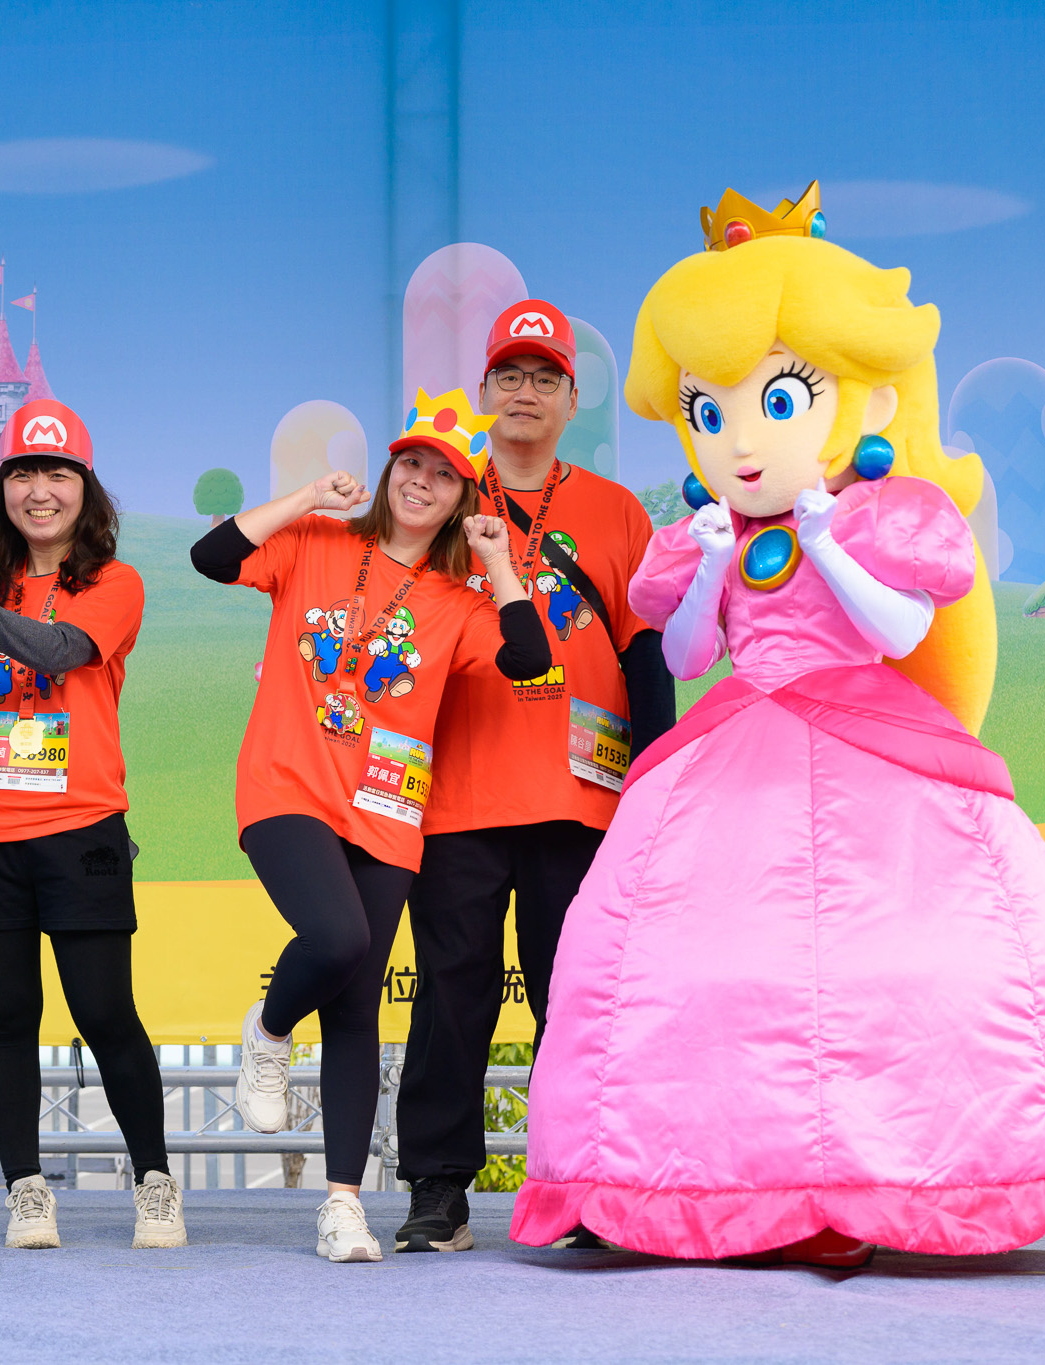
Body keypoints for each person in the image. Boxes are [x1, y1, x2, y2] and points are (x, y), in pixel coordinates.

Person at [510, 183, 1045, 1265]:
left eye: (776, 399)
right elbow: (686, 657)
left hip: (870, 727)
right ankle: (683, 1182)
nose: (739, 441)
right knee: (672, 954)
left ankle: (887, 1180)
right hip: (734, 738)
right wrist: (711, 565)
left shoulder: (880, 515)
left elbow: (900, 628)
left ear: (861, 395)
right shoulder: (707, 536)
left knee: (927, 950)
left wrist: (827, 543)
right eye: (707, 412)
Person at [190, 389, 553, 1262]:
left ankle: (343, 1204)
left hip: (387, 812)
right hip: (286, 787)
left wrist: (498, 560)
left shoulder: (458, 602)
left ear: (460, 498)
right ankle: (269, 1028)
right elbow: (211, 555)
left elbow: (531, 658)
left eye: (442, 475)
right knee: (338, 937)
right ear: (389, 473)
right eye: (410, 464)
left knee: (357, 1005)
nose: (421, 481)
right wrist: (309, 497)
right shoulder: (314, 543)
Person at [392, 300, 675, 1255]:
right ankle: (438, 1190)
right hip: (455, 794)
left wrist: (656, 784)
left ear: (571, 398)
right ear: (483, 389)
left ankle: (589, 1186)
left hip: (581, 797)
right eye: (509, 374)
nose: (525, 391)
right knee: (451, 996)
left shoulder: (615, 510)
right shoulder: (438, 494)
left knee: (579, 999)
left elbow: (645, 655)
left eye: (544, 377)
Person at [0, 398, 184, 1252]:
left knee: (105, 1012)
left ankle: (155, 1181)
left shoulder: (113, 585)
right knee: (8, 1016)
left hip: (81, 829)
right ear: (2, 490)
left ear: (86, 490)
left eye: (57, 473)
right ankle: (26, 1190)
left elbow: (54, 651)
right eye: (23, 473)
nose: (39, 490)